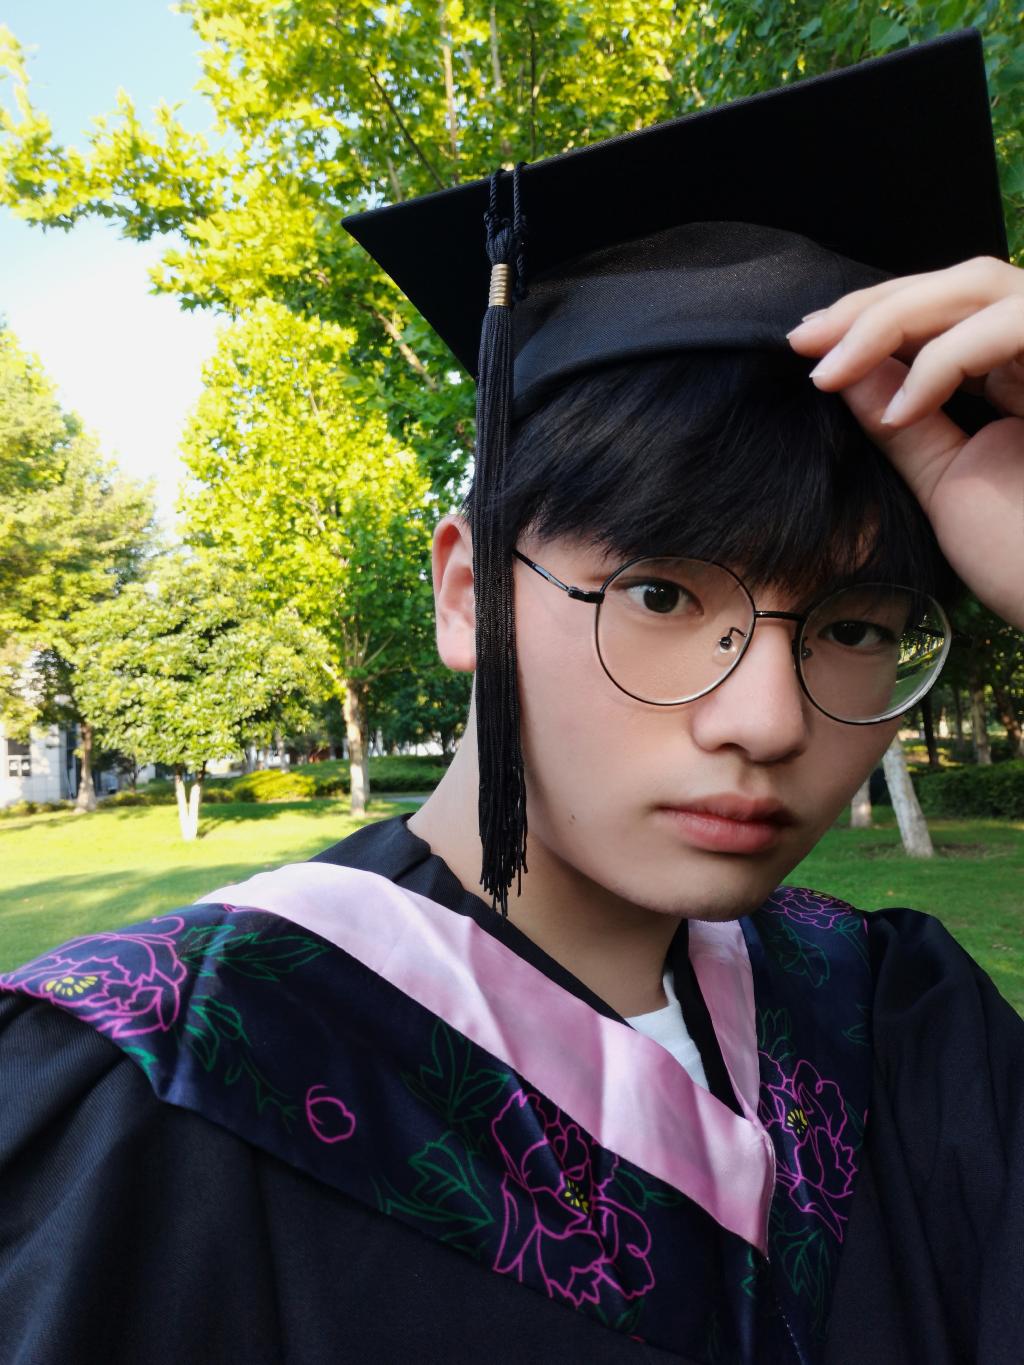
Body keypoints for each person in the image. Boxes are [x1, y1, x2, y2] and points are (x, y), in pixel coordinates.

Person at [1, 28, 1021, 1365]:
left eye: (851, 627)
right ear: (467, 593)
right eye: (660, 595)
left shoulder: (899, 1032)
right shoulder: (174, 1081)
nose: (768, 719)